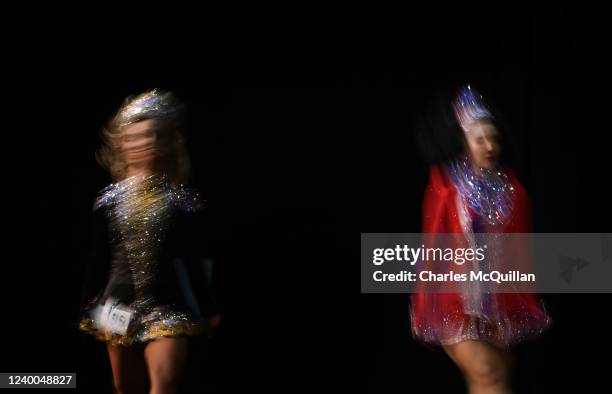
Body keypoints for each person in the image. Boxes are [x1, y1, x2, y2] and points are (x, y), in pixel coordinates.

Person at [411, 85, 551, 394]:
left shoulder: (513, 192)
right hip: (454, 303)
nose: (489, 145)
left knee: (497, 376)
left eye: (494, 138)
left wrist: (516, 301)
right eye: (480, 139)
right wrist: (425, 301)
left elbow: (519, 256)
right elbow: (432, 248)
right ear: (464, 143)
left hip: (497, 307)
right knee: (488, 373)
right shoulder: (447, 189)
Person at [79, 89, 221, 394]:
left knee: (164, 385)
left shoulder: (180, 201)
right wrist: (88, 302)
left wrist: (208, 306)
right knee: (125, 387)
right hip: (117, 308)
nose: (142, 144)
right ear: (122, 145)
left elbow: (192, 258)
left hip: (167, 308)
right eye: (133, 138)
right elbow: (97, 258)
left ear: (161, 142)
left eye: (149, 136)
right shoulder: (109, 201)